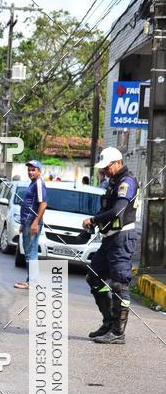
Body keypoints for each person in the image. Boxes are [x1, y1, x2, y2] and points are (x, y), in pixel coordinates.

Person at [83, 146, 138, 344]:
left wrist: (94, 219)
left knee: (119, 285)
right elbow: (107, 210)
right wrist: (94, 224)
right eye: (103, 168)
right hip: (109, 239)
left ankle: (117, 332)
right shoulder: (113, 182)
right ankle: (107, 323)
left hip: (122, 239)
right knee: (94, 278)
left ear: (118, 163)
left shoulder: (127, 182)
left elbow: (118, 210)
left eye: (107, 167)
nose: (104, 171)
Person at [14, 160, 47, 290]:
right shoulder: (33, 183)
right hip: (27, 222)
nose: (30, 172)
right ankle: (30, 280)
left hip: (32, 222)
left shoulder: (39, 183)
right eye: (29, 170)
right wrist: (23, 223)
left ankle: (32, 282)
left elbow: (43, 204)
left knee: (31, 253)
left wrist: (35, 222)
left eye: (33, 170)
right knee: (29, 252)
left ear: (39, 171)